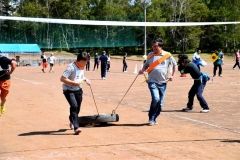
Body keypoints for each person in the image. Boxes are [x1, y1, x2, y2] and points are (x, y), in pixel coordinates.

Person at [139, 38, 177, 126]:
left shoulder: (167, 55)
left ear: (160, 47)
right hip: (152, 81)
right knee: (156, 98)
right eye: (153, 46)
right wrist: (142, 70)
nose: (154, 48)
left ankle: (154, 118)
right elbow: (146, 65)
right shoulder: (150, 55)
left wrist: (172, 75)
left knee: (160, 103)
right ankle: (151, 118)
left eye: (155, 46)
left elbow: (175, 65)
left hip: (163, 82)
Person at [60, 52, 91, 135]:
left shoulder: (82, 66)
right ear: (79, 61)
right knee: (74, 106)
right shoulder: (71, 67)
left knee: (78, 108)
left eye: (86, 62)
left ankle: (72, 120)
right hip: (68, 90)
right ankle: (76, 127)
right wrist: (73, 83)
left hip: (78, 90)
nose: (85, 64)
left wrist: (86, 79)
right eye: (84, 62)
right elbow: (62, 79)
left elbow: (81, 76)